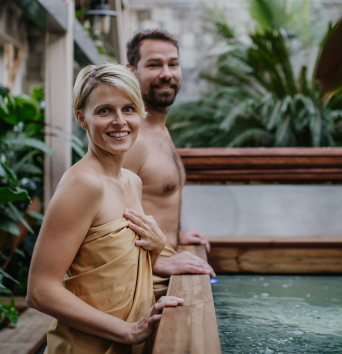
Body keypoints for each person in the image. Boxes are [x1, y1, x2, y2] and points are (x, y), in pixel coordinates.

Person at [27, 63, 183, 354]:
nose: (119, 121)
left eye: (128, 109)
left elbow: (113, 267)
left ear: (141, 114)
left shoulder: (132, 182)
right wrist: (129, 330)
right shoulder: (83, 185)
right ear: (82, 119)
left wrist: (157, 251)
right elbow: (40, 290)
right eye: (104, 111)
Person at [123, 30, 215, 299]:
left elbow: (146, 198)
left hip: (158, 273)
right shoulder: (132, 137)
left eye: (173, 64)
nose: (166, 73)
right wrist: (158, 261)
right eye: (154, 65)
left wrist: (174, 233)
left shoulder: (158, 128)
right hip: (140, 284)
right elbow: (106, 217)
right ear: (131, 71)